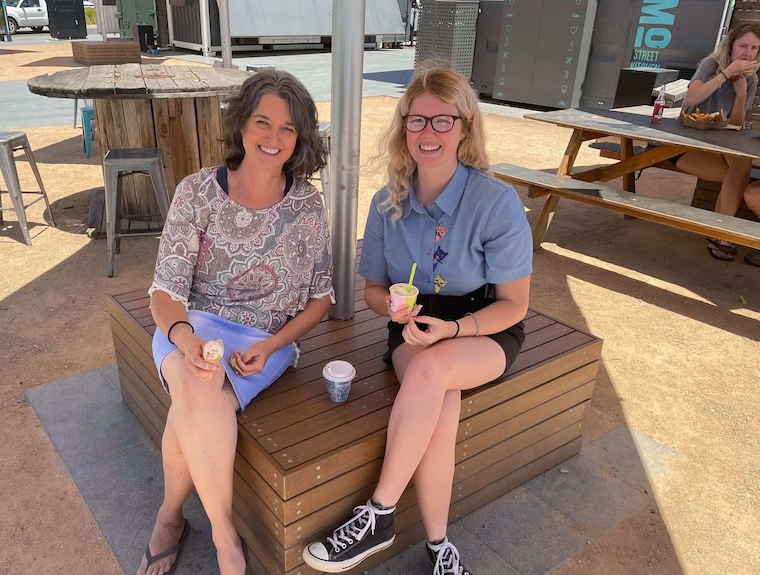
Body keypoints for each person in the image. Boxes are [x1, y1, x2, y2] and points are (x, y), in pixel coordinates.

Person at [302, 65, 532, 574]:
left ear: (465, 128)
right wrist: (390, 307)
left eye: (442, 121)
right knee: (440, 406)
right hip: (413, 324)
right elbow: (373, 292)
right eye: (416, 120)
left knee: (432, 373)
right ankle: (439, 549)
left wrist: (452, 330)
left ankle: (379, 513)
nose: (427, 132)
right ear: (403, 127)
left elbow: (514, 306)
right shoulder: (388, 203)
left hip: (482, 326)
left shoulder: (496, 202)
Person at [138, 69, 334, 575]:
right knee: (196, 383)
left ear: (301, 138)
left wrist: (273, 346)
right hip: (191, 326)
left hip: (267, 341)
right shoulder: (197, 192)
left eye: (288, 128)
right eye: (262, 122)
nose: (273, 138)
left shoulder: (308, 203)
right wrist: (185, 341)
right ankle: (226, 539)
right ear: (242, 125)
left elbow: (320, 299)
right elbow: (164, 294)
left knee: (195, 397)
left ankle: (169, 518)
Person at [673, 23, 760, 261]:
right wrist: (726, 74)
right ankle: (721, 235)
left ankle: (721, 235)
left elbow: (735, 124)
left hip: (719, 146)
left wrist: (741, 93)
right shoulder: (710, 65)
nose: (747, 53)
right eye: (743, 46)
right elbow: (691, 99)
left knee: (740, 167)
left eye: (754, 48)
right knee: (738, 175)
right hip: (684, 143)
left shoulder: (750, 80)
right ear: (731, 46)